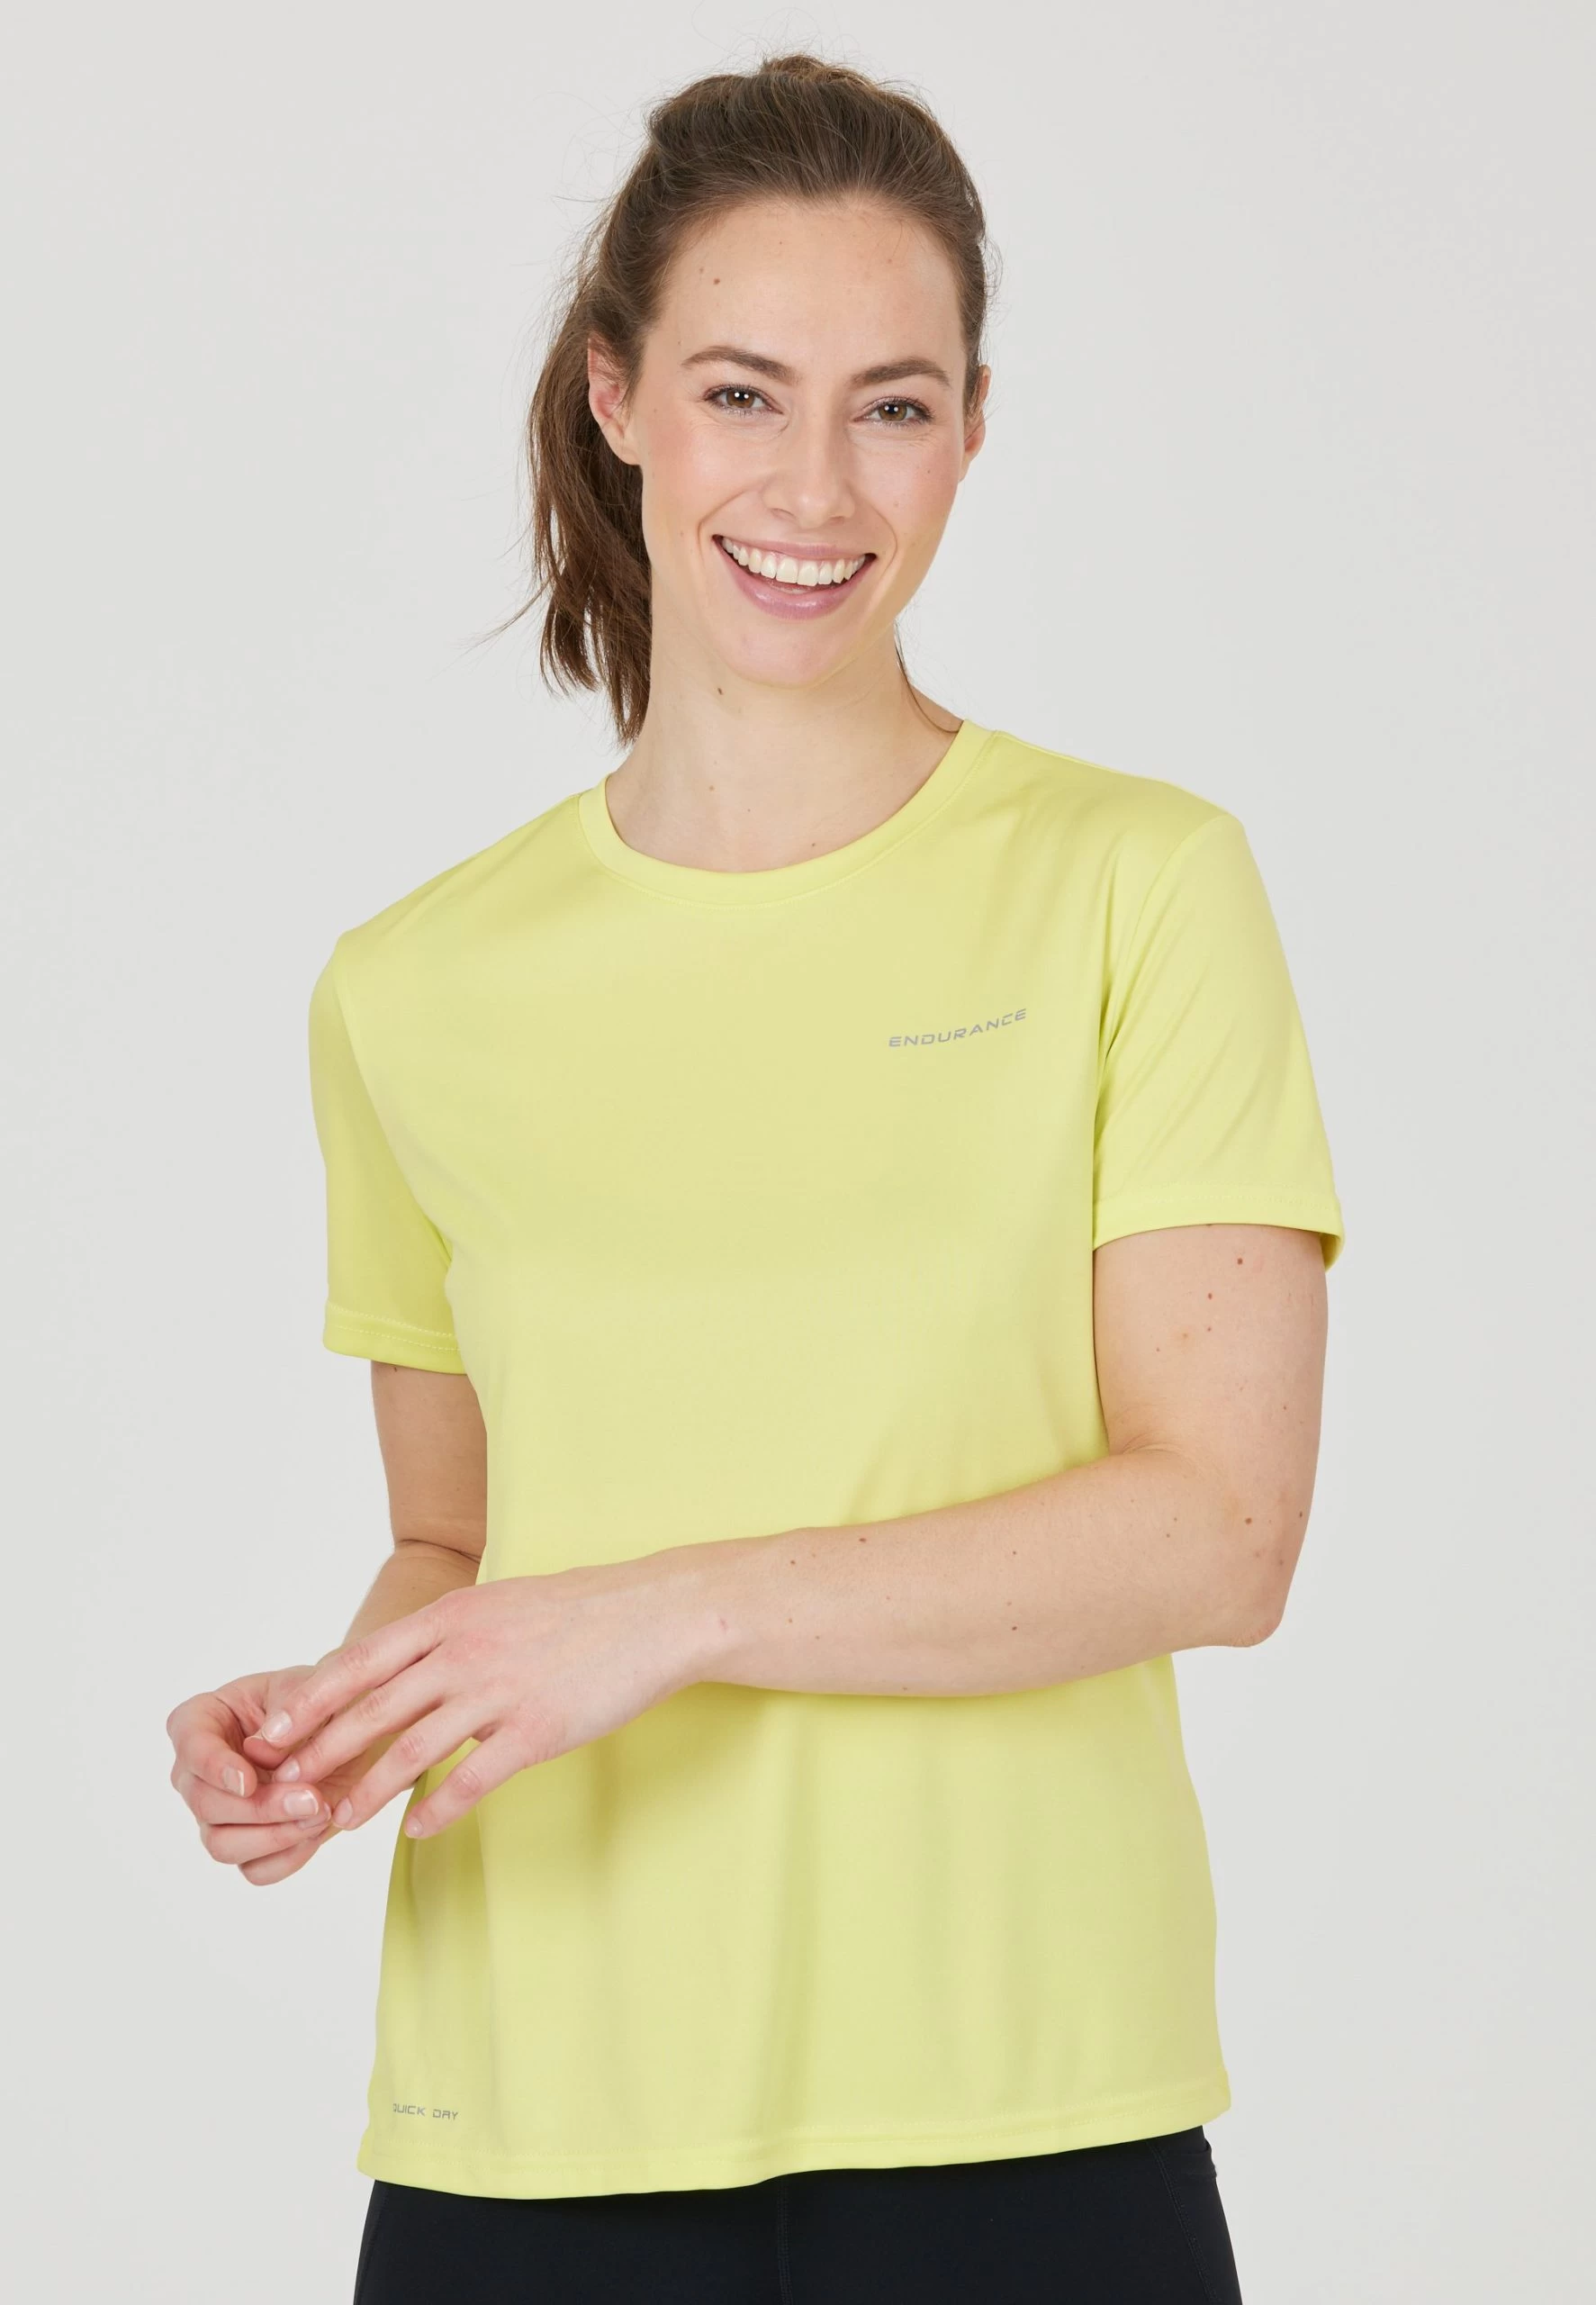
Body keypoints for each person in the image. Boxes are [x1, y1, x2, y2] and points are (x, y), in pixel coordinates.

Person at [165, 50, 1344, 2305]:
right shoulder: (412, 985)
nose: (814, 485)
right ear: (616, 398)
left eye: (892, 406)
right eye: (739, 392)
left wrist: (668, 1612)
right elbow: (462, 1545)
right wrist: (335, 1717)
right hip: (526, 2118)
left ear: (971, 432)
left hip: (1020, 2107)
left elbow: (1222, 1526)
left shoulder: (1135, 884)